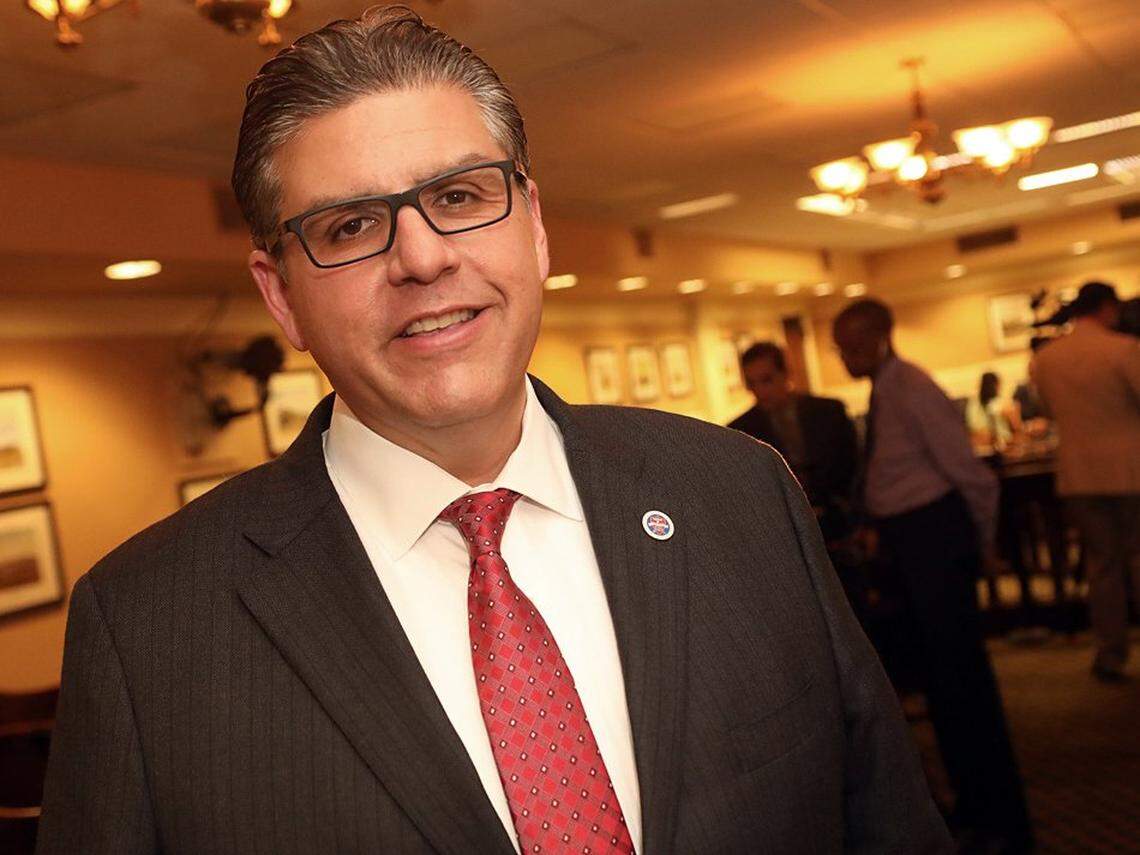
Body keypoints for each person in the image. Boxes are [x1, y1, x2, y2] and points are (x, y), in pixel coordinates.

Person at [36, 8, 952, 854]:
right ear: (281, 294)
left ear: (537, 228)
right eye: (351, 225)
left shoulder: (740, 493)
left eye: (463, 197)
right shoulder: (146, 628)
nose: (424, 256)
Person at [832, 299, 1032, 854]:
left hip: (936, 541)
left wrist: (983, 546)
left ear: (880, 337)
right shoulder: (886, 387)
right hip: (910, 545)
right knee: (945, 690)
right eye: (838, 347)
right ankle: (973, 808)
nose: (844, 357)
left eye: (851, 345)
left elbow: (973, 478)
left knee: (965, 688)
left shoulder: (911, 386)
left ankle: (1001, 822)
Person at [1032, 281, 1140, 682]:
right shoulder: (1123, 349)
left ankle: (1110, 653)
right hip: (1131, 468)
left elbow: (1049, 412)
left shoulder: (1046, 359)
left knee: (1102, 566)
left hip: (1078, 474)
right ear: (1108, 307)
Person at [729, 342, 858, 541]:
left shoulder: (828, 412)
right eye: (752, 383)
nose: (760, 392)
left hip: (840, 522)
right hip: (785, 532)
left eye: (767, 380)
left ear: (785, 374)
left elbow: (854, 467)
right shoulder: (741, 430)